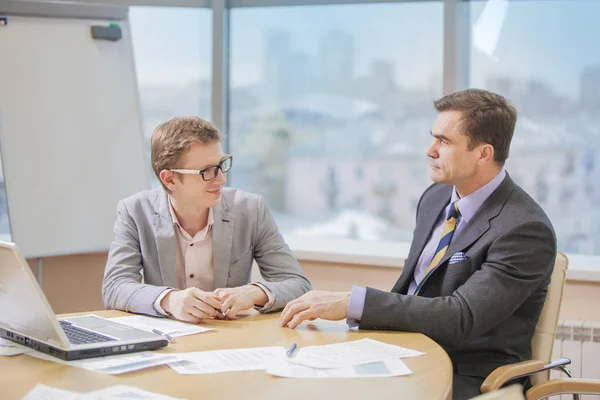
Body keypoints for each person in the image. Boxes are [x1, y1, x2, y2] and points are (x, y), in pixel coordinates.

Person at [279, 89, 556, 399]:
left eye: (444, 142)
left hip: (468, 374)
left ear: (483, 154)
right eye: (433, 138)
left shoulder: (524, 229)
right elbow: (415, 292)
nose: (430, 150)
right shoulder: (435, 198)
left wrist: (351, 302)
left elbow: (460, 317)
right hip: (403, 353)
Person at [103, 116, 311, 322]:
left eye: (221, 164)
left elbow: (298, 284)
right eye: (207, 171)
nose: (222, 178)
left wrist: (254, 292)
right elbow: (115, 287)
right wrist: (169, 300)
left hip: (230, 340)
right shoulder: (135, 211)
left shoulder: (250, 209)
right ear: (170, 179)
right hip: (167, 341)